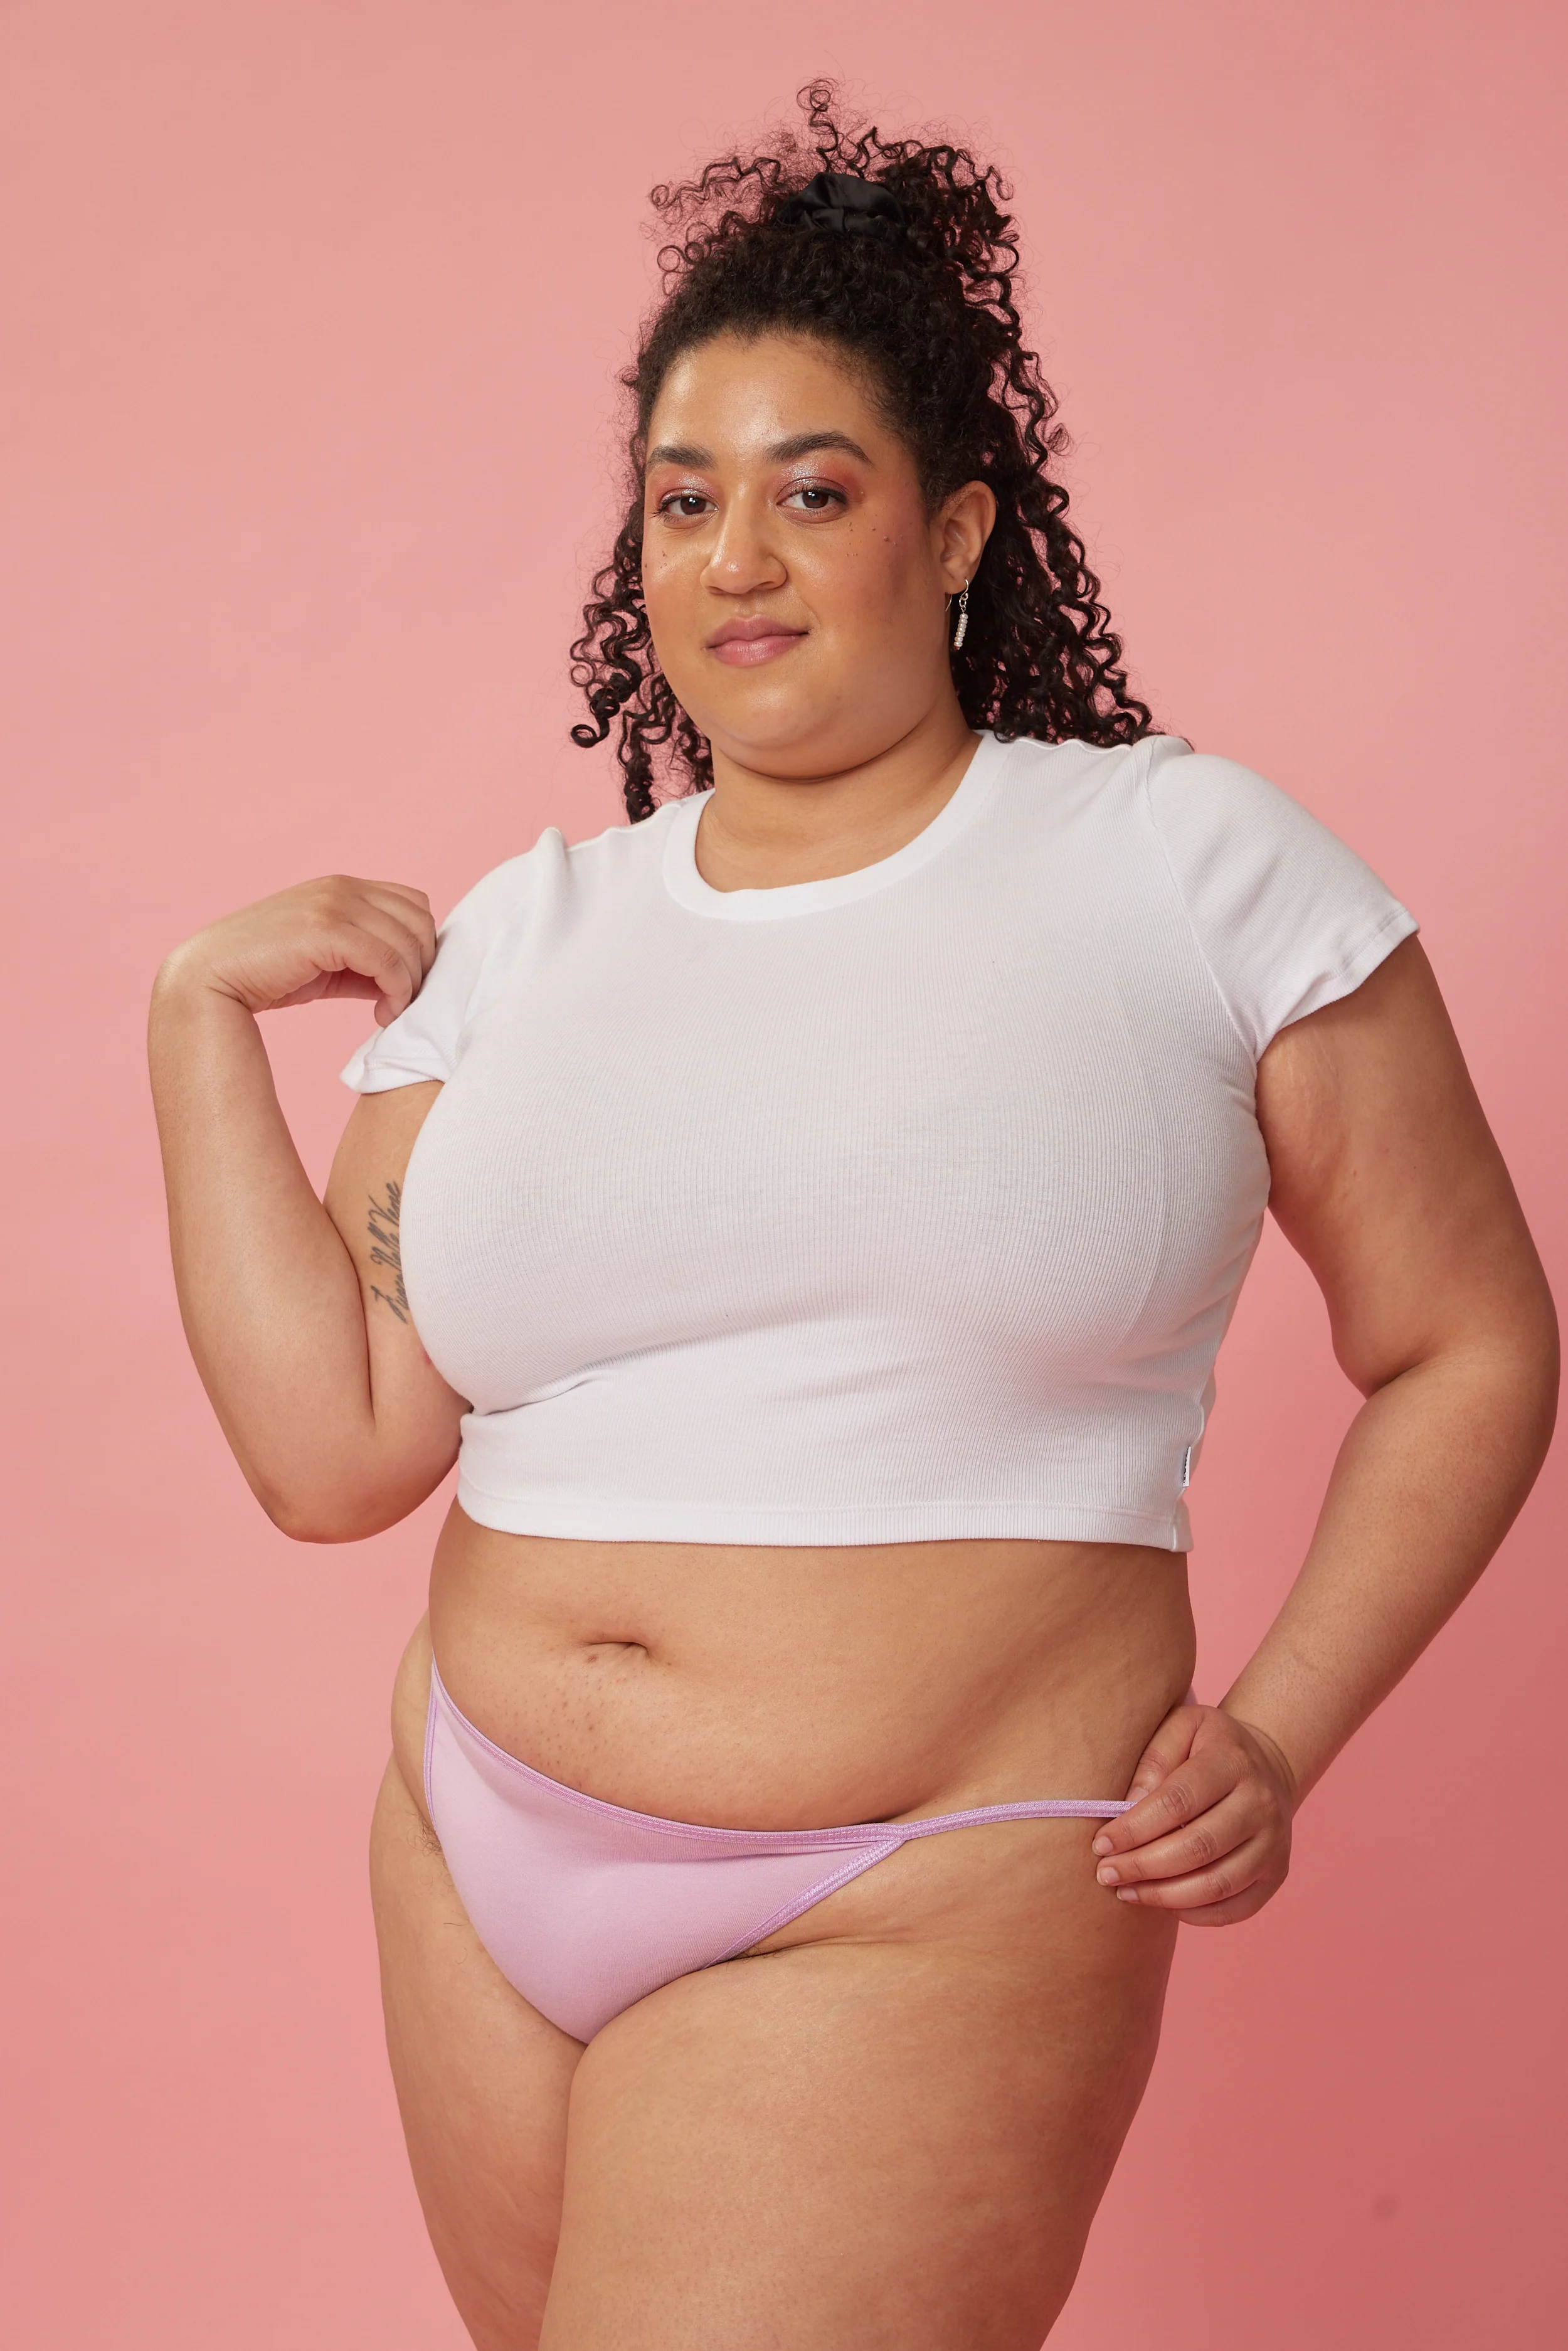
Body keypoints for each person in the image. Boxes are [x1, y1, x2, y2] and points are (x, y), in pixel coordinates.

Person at [148, 87, 1557, 2351]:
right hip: (470, 1829)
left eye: (813, 492)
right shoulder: (528, 932)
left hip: (927, 1878)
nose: (737, 556)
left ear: (957, 527)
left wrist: (1282, 1723)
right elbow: (336, 1449)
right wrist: (192, 1021)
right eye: (682, 500)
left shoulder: (1184, 866)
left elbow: (1465, 1334)